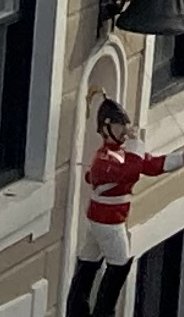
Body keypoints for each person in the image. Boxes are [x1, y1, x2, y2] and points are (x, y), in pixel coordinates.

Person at [69, 99, 172, 317]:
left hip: (103, 218)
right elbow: (131, 171)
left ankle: (77, 308)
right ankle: (103, 312)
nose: (125, 131)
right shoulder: (105, 158)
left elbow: (149, 165)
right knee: (119, 264)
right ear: (106, 128)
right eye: (119, 126)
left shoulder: (119, 155)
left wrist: (180, 159)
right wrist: (136, 144)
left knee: (89, 260)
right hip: (109, 220)